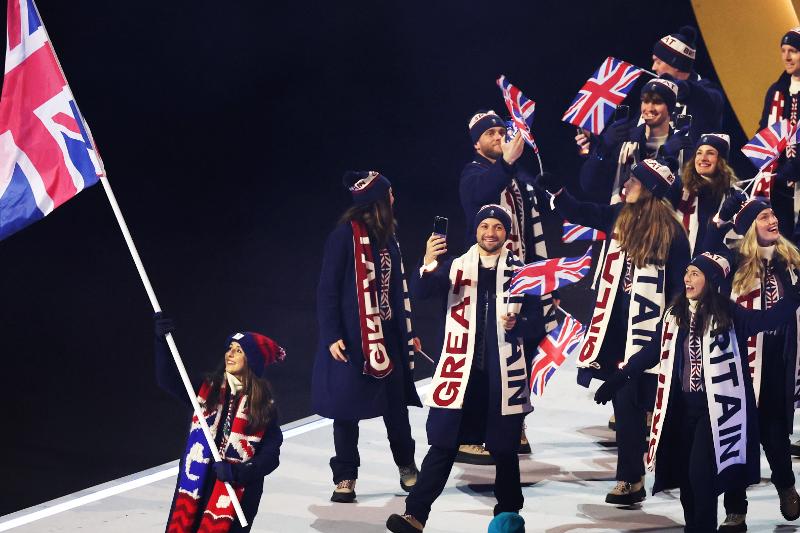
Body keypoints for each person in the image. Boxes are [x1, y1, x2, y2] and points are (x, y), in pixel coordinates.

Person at [594, 252, 800, 531]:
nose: (687, 279)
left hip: (715, 413)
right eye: (687, 272)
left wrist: (796, 294)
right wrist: (618, 378)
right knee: (687, 483)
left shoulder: (730, 315)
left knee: (701, 477)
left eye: (695, 274)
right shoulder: (674, 314)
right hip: (679, 412)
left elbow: (770, 320)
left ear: (711, 280)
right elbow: (653, 352)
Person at [538, 159, 691, 505]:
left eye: (635, 181)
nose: (626, 184)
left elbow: (680, 292)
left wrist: (666, 336)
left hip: (650, 333)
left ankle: (651, 476)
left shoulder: (673, 233)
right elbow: (581, 212)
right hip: (615, 328)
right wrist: (558, 192)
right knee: (626, 404)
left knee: (644, 404)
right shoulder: (620, 214)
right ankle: (631, 477)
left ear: (650, 190)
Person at [385, 205, 544, 533]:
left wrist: (518, 324)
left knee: (504, 451)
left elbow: (539, 325)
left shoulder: (522, 271)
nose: (490, 232)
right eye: (484, 225)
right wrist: (428, 261)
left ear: (506, 232)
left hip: (502, 378)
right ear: (475, 231)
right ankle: (414, 516)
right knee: (442, 445)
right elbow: (421, 291)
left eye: (497, 227)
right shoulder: (456, 266)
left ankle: (508, 521)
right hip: (461, 376)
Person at [311, 170, 421, 503]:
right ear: (379, 201)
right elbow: (327, 290)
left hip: (387, 335)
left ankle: (406, 465)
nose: (394, 199)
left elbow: (396, 292)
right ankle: (345, 476)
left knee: (395, 408)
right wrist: (331, 335)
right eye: (390, 194)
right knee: (346, 410)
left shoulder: (389, 238)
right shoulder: (344, 237)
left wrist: (408, 334)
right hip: (352, 338)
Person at [458, 110, 551, 463]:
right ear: (477, 141)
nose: (499, 137)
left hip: (520, 278)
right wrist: (508, 165)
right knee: (482, 357)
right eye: (491, 133)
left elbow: (531, 229)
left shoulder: (516, 177)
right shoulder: (474, 173)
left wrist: (545, 278)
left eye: (502, 131)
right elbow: (481, 194)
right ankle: (469, 434)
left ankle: (514, 423)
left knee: (521, 352)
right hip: (485, 283)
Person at [702, 196, 800, 531]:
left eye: (773, 214)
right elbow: (702, 256)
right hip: (739, 359)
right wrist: (720, 219)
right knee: (736, 432)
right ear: (749, 229)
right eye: (764, 217)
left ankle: (785, 484)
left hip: (779, 358)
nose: (773, 220)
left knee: (774, 430)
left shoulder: (791, 259)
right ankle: (735, 510)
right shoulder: (734, 261)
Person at [154, 314, 284, 533]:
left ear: (252, 360)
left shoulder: (263, 406)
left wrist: (238, 473)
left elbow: (270, 457)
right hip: (198, 485)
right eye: (229, 348)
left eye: (238, 350)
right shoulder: (207, 390)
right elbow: (169, 381)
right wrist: (161, 343)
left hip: (234, 495)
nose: (230, 354)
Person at [578, 78, 690, 205]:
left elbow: (678, 197)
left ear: (670, 108)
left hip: (661, 222)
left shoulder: (681, 146)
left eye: (657, 102)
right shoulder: (623, 140)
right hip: (623, 220)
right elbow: (589, 186)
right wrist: (603, 148)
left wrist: (666, 157)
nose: (649, 107)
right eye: (645, 101)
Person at [756, 27, 800, 239]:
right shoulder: (777, 90)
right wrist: (762, 164)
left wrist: (795, 167)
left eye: (793, 50)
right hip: (780, 185)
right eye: (783, 50)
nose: (787, 57)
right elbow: (765, 131)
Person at [650, 25, 725, 142]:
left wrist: (684, 89)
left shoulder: (709, 92)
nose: (653, 67)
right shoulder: (654, 90)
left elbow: (709, 99)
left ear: (676, 64)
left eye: (658, 62)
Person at [676, 133, 741, 256]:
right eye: (699, 153)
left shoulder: (734, 195)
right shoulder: (680, 189)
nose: (703, 158)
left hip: (717, 267)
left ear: (721, 160)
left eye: (710, 153)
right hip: (682, 267)